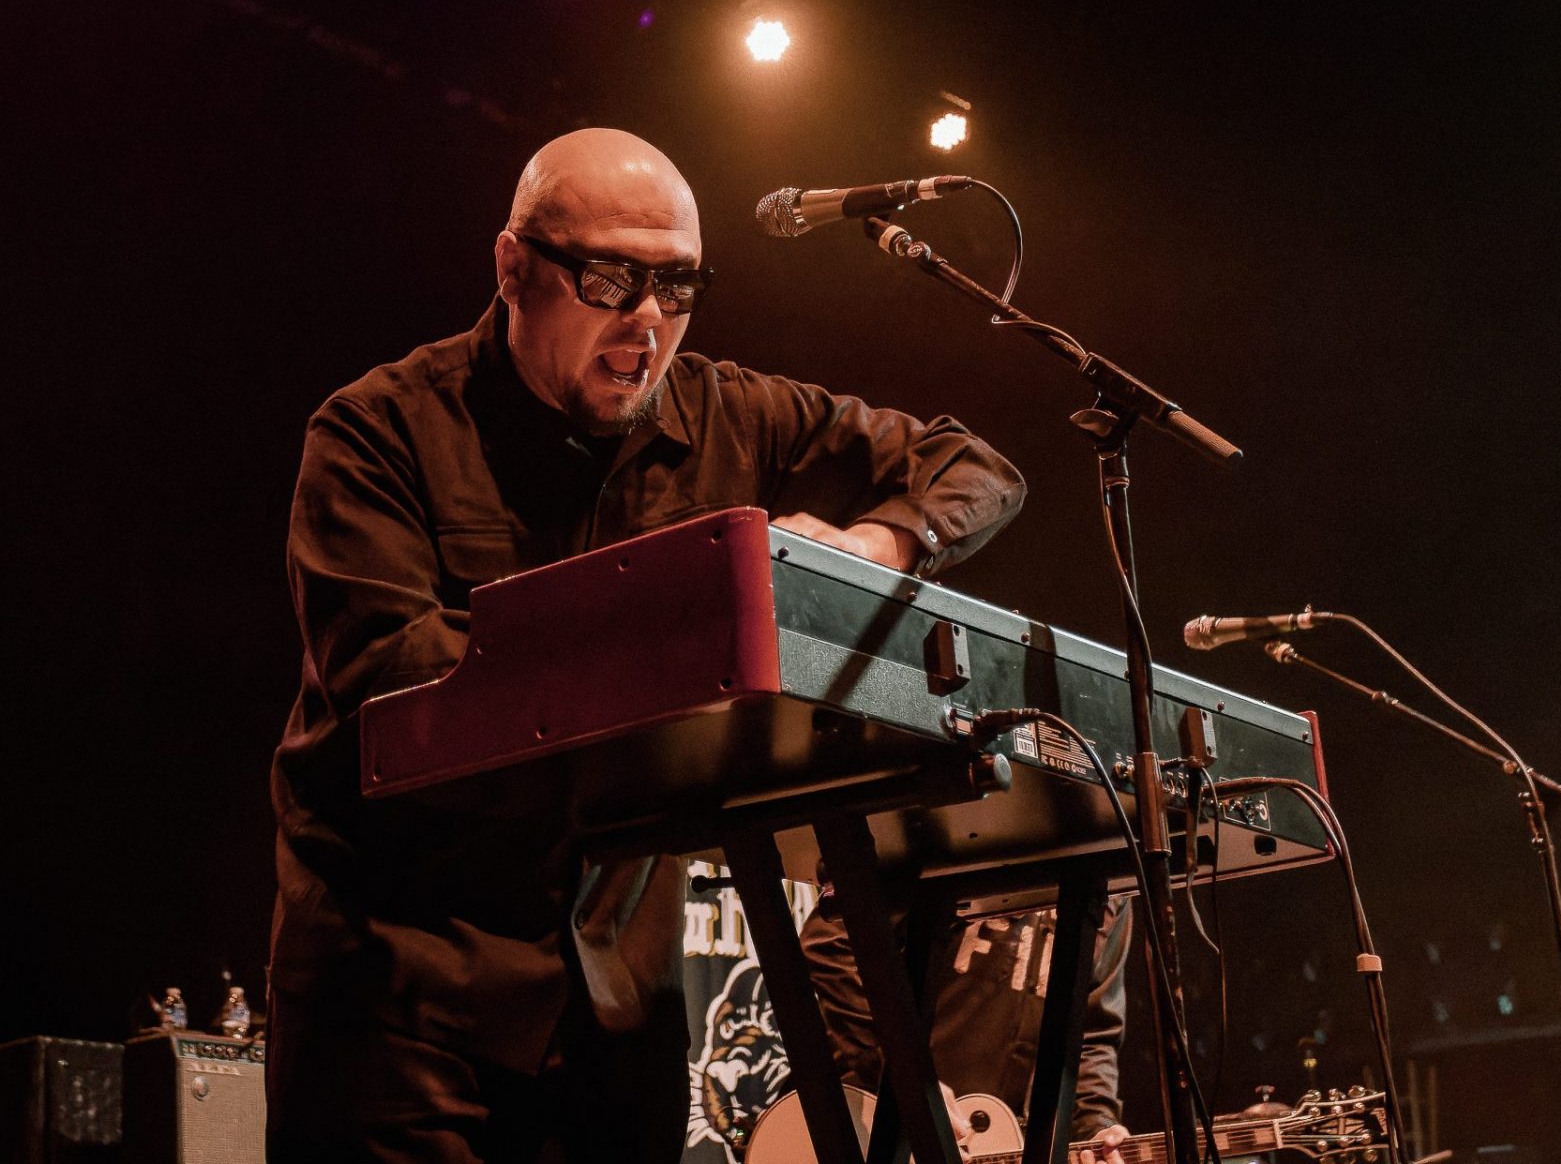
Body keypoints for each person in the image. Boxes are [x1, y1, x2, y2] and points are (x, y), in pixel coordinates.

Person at [264, 126, 1027, 1162]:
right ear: (513, 268)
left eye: (679, 286)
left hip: (617, 1006)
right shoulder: (376, 430)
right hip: (402, 985)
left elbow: (974, 467)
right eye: (611, 281)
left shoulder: (730, 413)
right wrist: (667, 628)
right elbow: (389, 677)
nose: (649, 320)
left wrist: (878, 544)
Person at [801, 895, 1133, 1163]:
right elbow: (830, 942)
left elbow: (1090, 1034)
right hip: (877, 1130)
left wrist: (1096, 1126)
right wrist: (907, 1078)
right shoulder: (945, 834)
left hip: (995, 1143)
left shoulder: (1108, 884)